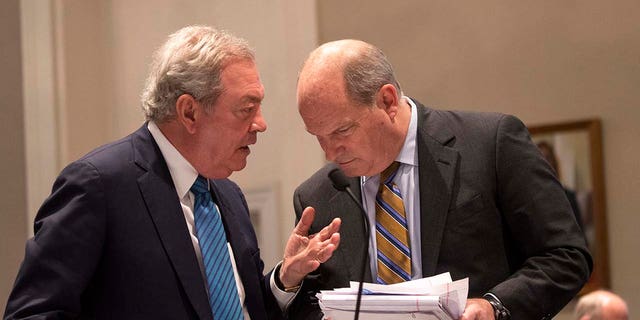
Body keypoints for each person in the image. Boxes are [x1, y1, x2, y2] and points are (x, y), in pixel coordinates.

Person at [3, 25, 340, 320]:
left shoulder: (227, 194)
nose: (261, 124)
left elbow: (240, 310)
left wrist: (285, 280)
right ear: (189, 112)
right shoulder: (98, 186)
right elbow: (32, 313)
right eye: (246, 109)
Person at [290, 39, 592, 320]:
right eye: (318, 136)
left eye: (342, 131)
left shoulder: (491, 144)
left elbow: (566, 256)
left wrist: (494, 305)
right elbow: (311, 308)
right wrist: (288, 283)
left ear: (387, 100)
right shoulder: (317, 197)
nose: (330, 152)